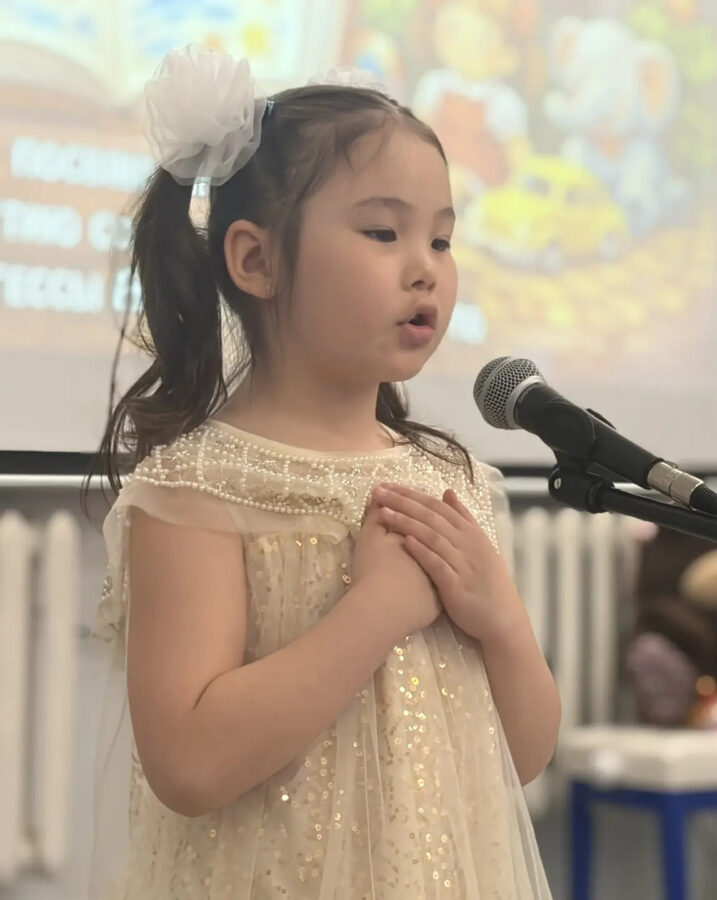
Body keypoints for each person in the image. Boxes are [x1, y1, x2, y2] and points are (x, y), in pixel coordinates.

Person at [86, 45, 558, 899]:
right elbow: (188, 764)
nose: (425, 266)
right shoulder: (200, 489)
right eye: (383, 232)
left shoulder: (453, 482)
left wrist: (503, 624)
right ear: (256, 261)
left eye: (442, 239)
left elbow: (520, 758)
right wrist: (376, 611)